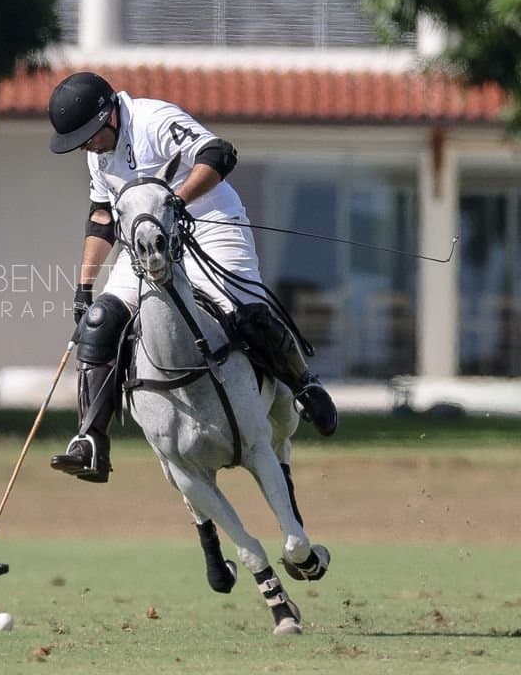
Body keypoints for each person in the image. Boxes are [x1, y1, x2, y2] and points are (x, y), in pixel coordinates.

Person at [46, 71, 337, 483]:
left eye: (90, 134)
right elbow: (102, 217)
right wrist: (84, 287)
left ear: (110, 114)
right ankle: (91, 440)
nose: (88, 145)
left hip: (209, 220)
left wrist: (173, 203)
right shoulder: (97, 153)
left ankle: (304, 386)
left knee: (242, 310)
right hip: (146, 240)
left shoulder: (153, 121)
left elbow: (219, 153)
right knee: (98, 323)